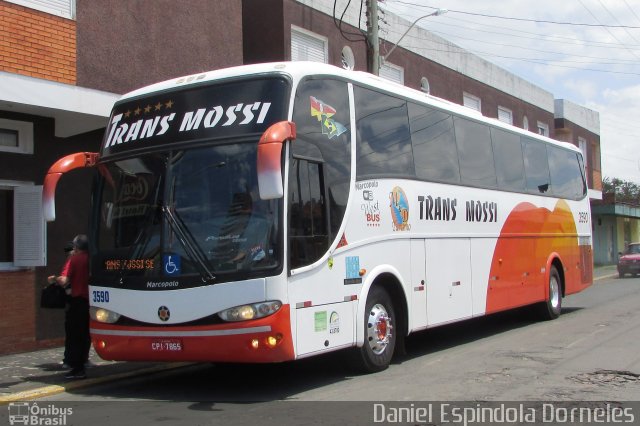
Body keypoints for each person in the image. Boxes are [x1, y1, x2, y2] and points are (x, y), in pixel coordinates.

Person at [52, 234, 91, 380]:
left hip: (78, 300)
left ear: (76, 247)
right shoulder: (92, 259)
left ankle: (77, 368)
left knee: (74, 336)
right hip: (91, 302)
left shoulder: (75, 259)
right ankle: (83, 362)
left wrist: (55, 279)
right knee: (85, 335)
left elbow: (65, 280)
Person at [48, 241, 75, 368]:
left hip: (73, 301)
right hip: (82, 300)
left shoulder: (71, 262)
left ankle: (69, 360)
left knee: (72, 332)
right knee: (81, 334)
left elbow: (64, 281)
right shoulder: (84, 260)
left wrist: (54, 279)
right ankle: (80, 359)